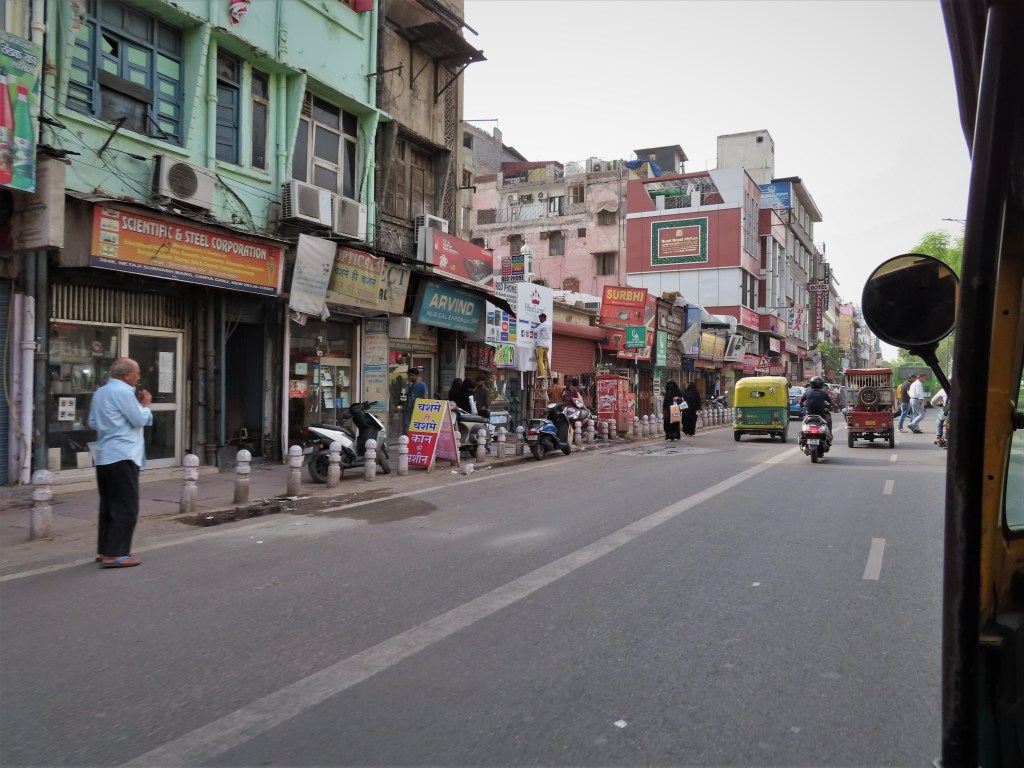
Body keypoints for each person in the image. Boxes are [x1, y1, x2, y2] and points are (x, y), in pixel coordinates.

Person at [88, 357, 152, 569]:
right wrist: (146, 405)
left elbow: (92, 422)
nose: (138, 376)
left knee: (108, 505)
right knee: (126, 506)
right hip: (124, 454)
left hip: (105, 455)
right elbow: (139, 420)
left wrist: (112, 425)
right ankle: (117, 554)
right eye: (137, 372)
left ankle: (105, 551)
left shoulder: (101, 392)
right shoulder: (123, 392)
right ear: (126, 375)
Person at [406, 367, 428, 432]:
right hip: (412, 409)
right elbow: (409, 397)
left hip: (420, 410)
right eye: (410, 376)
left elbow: (426, 398)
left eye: (413, 376)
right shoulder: (411, 387)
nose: (411, 377)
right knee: (407, 425)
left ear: (417, 376)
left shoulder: (422, 385)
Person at [534, 313, 552, 379]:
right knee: (545, 360)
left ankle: (542, 373)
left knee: (540, 359)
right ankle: (548, 374)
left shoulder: (543, 324)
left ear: (542, 318)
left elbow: (535, 330)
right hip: (547, 346)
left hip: (541, 345)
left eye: (540, 319)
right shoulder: (550, 324)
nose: (540, 320)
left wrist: (535, 327)